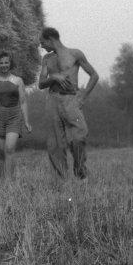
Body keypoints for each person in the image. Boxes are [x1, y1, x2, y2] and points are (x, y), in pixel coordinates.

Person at [38, 27, 98, 179]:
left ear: (51, 39)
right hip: (52, 100)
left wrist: (82, 97)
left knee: (79, 135)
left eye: (43, 42)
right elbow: (41, 83)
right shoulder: (46, 59)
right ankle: (62, 180)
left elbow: (94, 75)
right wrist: (54, 77)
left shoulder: (75, 54)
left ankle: (79, 169)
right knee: (55, 144)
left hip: (71, 99)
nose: (42, 46)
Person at [0, 50, 31, 181]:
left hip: (14, 116)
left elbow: (23, 102)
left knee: (9, 148)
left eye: (6, 62)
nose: (4, 65)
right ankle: (2, 181)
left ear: (10, 64)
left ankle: (10, 181)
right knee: (0, 151)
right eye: (1, 63)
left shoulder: (18, 80)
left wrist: (27, 121)